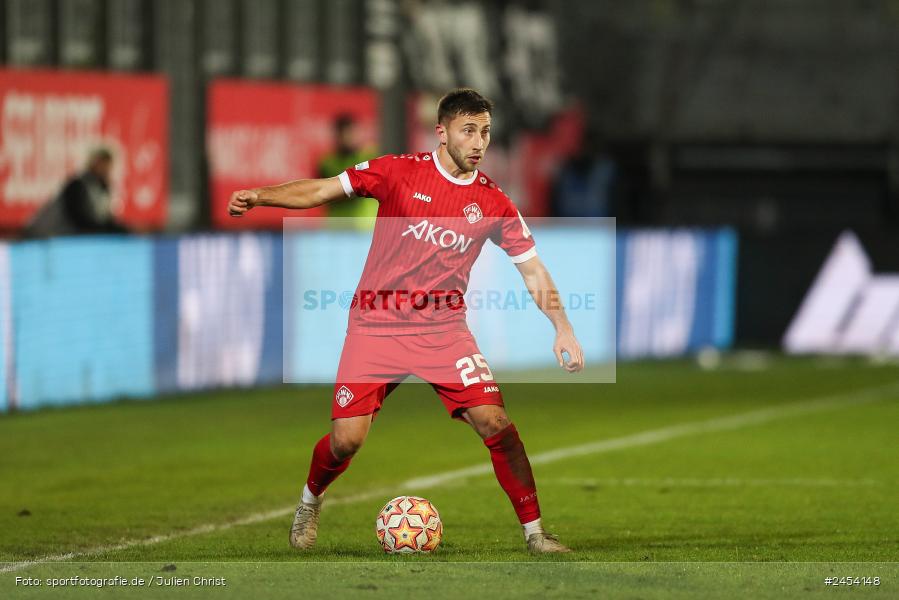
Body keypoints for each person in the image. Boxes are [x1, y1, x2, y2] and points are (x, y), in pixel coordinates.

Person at [228, 89, 585, 554]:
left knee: (496, 422)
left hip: (443, 332)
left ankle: (537, 535)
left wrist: (562, 326)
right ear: (442, 132)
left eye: (485, 132)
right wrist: (261, 195)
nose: (479, 142)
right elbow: (321, 189)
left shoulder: (493, 203)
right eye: (468, 130)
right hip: (376, 325)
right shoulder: (397, 171)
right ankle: (309, 502)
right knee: (346, 441)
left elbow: (533, 270)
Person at [24, 147, 129, 238]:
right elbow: (83, 222)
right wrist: (116, 230)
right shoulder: (78, 186)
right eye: (102, 164)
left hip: (61, 242)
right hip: (43, 238)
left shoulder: (102, 189)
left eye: (108, 166)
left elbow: (104, 220)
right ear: (94, 163)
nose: (105, 170)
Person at [317, 113, 378, 224]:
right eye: (345, 133)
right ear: (337, 135)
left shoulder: (370, 157)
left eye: (352, 132)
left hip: (366, 228)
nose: (350, 137)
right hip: (338, 229)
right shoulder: (327, 163)